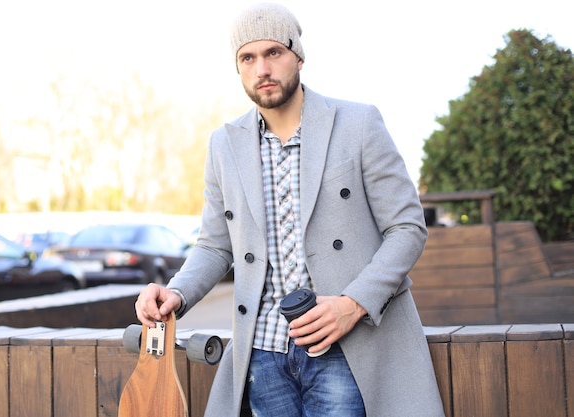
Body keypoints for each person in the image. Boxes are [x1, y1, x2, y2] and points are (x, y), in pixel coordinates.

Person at [135, 3, 445, 416]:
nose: (262, 68)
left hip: (345, 343)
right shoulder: (224, 145)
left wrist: (352, 304)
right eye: (248, 57)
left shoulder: (358, 124)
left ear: (297, 55)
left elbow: (408, 228)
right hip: (263, 352)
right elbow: (215, 246)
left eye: (273, 53)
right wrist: (175, 291)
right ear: (238, 67)